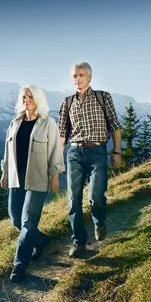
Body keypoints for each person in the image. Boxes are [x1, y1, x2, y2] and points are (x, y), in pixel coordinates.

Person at [57, 62, 122, 258]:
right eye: (75, 76)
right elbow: (61, 135)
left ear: (89, 77)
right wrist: (57, 161)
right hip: (74, 153)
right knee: (73, 200)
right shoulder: (67, 102)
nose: (77, 79)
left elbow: (115, 126)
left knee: (96, 196)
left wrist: (117, 153)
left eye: (81, 75)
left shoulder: (103, 97)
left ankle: (99, 222)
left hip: (97, 151)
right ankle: (79, 243)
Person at [1, 85, 64, 283]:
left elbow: (55, 150)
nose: (27, 99)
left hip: (38, 178)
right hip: (15, 177)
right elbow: (7, 150)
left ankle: (19, 265)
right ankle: (41, 240)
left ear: (38, 99)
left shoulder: (48, 123)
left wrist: (55, 177)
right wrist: (4, 172)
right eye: (24, 96)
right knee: (15, 219)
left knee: (28, 222)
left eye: (31, 96)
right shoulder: (15, 123)